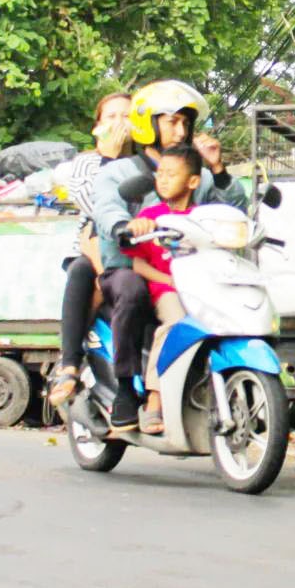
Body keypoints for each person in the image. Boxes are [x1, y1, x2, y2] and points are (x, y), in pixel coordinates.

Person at [91, 80, 246, 431]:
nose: (181, 130)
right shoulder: (119, 171)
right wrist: (123, 226)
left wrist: (218, 170)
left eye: (185, 123)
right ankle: (129, 392)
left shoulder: (199, 177)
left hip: (190, 274)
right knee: (130, 289)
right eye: (171, 121)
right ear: (148, 124)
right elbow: (105, 206)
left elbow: (234, 211)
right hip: (132, 267)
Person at [47, 91, 132, 409]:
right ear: (97, 126)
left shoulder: (145, 161)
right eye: (111, 117)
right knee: (83, 270)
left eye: (126, 116)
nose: (119, 124)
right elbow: (94, 203)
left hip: (136, 252)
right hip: (93, 246)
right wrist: (109, 158)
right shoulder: (86, 162)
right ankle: (69, 364)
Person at [120, 144, 202, 434]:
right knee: (176, 323)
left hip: (202, 291)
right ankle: (154, 399)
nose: (163, 179)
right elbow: (138, 266)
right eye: (161, 174)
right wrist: (168, 281)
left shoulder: (202, 218)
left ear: (193, 182)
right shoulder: (151, 216)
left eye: (172, 174)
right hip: (165, 291)